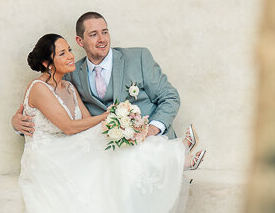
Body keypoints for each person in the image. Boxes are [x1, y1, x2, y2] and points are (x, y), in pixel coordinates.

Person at [0, 32, 205, 213]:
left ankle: (174, 155)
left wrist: (119, 124)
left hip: (65, 147)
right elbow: (69, 127)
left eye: (70, 50)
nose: (70, 57)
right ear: (47, 63)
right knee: (108, 144)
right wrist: (110, 117)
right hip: (47, 157)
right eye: (63, 53)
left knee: (114, 144)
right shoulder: (39, 88)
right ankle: (176, 156)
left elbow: (84, 121)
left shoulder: (68, 87)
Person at [11, 12, 180, 138]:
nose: (102, 39)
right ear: (80, 41)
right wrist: (17, 124)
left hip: (152, 140)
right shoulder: (70, 74)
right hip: (105, 148)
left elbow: (170, 97)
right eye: (93, 34)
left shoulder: (139, 58)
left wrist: (152, 129)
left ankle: (181, 155)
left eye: (105, 32)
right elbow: (47, 114)